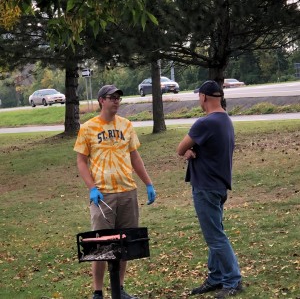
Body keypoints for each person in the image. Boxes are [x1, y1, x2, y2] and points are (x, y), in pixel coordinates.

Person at [74, 84, 156, 299]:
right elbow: (81, 161)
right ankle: (98, 292)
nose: (116, 101)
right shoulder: (88, 128)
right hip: (103, 196)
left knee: (124, 245)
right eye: (112, 97)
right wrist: (92, 188)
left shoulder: (126, 125)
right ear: (101, 100)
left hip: (127, 192)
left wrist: (148, 183)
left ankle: (119, 289)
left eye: (118, 97)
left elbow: (135, 156)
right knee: (101, 245)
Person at [176, 80, 243, 299]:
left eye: (199, 96)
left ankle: (232, 280)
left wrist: (189, 150)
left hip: (205, 187)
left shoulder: (204, 123)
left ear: (204, 97)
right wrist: (193, 151)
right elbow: (206, 149)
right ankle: (216, 277)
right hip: (219, 186)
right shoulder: (225, 120)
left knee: (215, 237)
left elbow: (180, 148)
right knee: (215, 232)